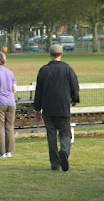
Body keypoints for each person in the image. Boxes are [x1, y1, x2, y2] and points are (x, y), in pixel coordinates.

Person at [34, 44, 79, 172]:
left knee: (51, 137)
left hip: (48, 109)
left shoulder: (43, 70)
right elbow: (75, 87)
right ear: (62, 54)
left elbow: (39, 91)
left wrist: (37, 109)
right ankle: (64, 151)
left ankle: (55, 165)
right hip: (63, 107)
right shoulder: (67, 69)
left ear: (50, 54)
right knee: (65, 134)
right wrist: (75, 99)